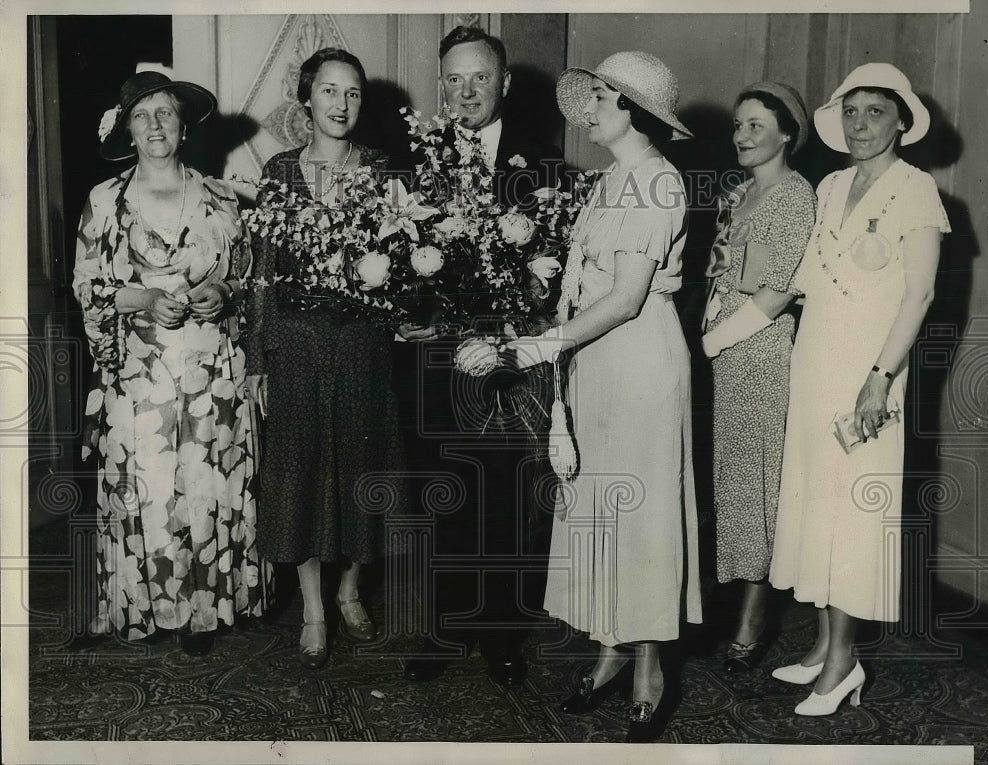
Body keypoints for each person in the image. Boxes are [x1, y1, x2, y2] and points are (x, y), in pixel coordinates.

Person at [507, 51, 702, 743]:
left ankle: (650, 667)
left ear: (629, 107)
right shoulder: (611, 179)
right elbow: (584, 283)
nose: (587, 109)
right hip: (596, 363)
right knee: (602, 511)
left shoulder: (658, 183)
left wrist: (542, 346)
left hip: (642, 362)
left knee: (643, 518)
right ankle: (612, 648)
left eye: (597, 98)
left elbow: (623, 299)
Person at [71, 67, 272, 657]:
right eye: (142, 115)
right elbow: (87, 287)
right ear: (127, 131)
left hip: (213, 371)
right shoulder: (104, 201)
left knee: (205, 484)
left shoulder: (221, 197)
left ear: (182, 126)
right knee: (151, 489)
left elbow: (250, 278)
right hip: (140, 373)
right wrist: (142, 298)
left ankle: (201, 611)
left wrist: (225, 293)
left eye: (165, 113)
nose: (155, 124)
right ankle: (149, 605)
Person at [769, 63, 950, 715]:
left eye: (876, 112)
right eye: (852, 111)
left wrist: (880, 378)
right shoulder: (831, 185)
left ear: (901, 120)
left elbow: (919, 292)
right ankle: (823, 643)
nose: (861, 124)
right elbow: (804, 278)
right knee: (817, 504)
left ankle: (844, 663)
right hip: (815, 362)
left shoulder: (917, 190)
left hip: (869, 375)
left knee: (850, 514)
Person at [397, 25, 564, 687]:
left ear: (505, 84)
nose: (467, 92)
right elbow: (398, 267)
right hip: (434, 359)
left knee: (502, 497)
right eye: (455, 80)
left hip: (504, 363)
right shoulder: (414, 163)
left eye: (480, 78)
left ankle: (501, 634)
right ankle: (438, 629)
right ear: (441, 86)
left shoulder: (543, 167)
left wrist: (502, 338)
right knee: (437, 495)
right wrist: (415, 319)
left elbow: (553, 278)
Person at [245, 48, 407, 669]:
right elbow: (261, 276)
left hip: (362, 345)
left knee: (363, 470)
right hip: (295, 344)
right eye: (331, 92)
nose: (342, 105)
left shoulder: (382, 169)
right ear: (306, 98)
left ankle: (350, 590)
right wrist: (259, 356)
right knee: (302, 476)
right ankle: (313, 606)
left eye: (354, 93)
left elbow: (396, 269)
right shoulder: (278, 173)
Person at [701, 83, 816, 673]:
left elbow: (775, 292)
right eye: (738, 125)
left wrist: (715, 339)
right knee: (732, 478)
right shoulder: (739, 192)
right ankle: (736, 600)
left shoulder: (794, 197)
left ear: (787, 134)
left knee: (757, 482)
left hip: (760, 350)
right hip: (723, 351)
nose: (742, 136)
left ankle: (754, 616)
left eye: (755, 125)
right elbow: (721, 276)